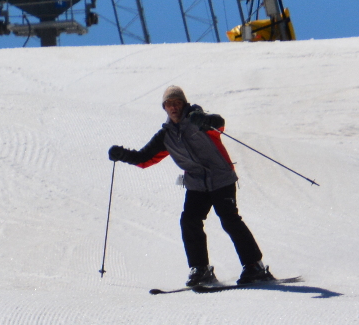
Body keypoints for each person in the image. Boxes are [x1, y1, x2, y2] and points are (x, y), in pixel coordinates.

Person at [108, 85, 276, 291]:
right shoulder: (166, 136)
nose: (173, 107)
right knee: (189, 221)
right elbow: (144, 159)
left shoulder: (198, 119)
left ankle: (255, 266)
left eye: (177, 103)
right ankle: (200, 269)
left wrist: (205, 120)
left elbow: (219, 123)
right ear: (164, 108)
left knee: (229, 220)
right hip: (196, 184)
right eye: (169, 104)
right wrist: (122, 155)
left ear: (184, 104)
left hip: (221, 179)